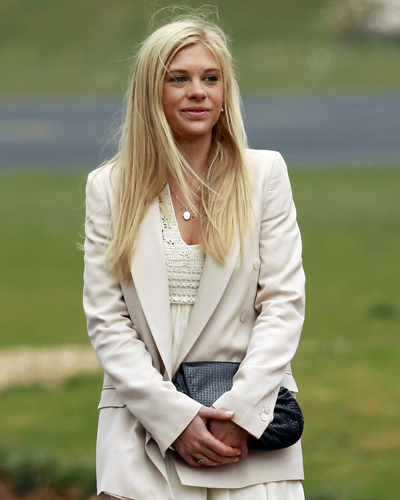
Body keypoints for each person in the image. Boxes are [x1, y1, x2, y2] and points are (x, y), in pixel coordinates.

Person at [83, 11, 306, 500]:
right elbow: (107, 321)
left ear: (226, 92)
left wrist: (241, 415)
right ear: (151, 93)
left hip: (249, 442)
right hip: (142, 439)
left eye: (211, 78)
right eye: (178, 79)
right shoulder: (108, 188)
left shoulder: (265, 175)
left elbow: (284, 304)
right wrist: (175, 420)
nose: (198, 91)